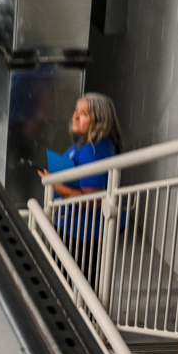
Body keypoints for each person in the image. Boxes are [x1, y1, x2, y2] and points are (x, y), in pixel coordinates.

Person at [38, 92, 124, 242]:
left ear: (100, 122)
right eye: (76, 110)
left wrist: (55, 185)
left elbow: (92, 200)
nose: (75, 117)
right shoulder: (89, 139)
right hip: (76, 223)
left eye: (84, 114)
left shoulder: (93, 152)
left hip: (83, 231)